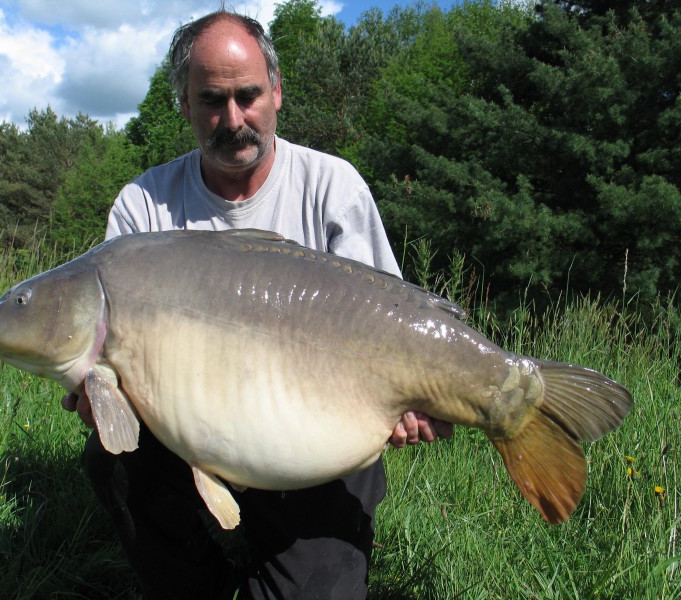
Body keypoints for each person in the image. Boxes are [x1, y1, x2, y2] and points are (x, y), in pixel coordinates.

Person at [62, 9, 452, 599]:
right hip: (184, 436)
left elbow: (390, 324)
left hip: (314, 442)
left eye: (248, 96)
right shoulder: (144, 208)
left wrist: (410, 400)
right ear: (185, 106)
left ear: (276, 92)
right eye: (212, 100)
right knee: (112, 458)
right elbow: (102, 359)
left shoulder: (331, 186)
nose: (234, 118)